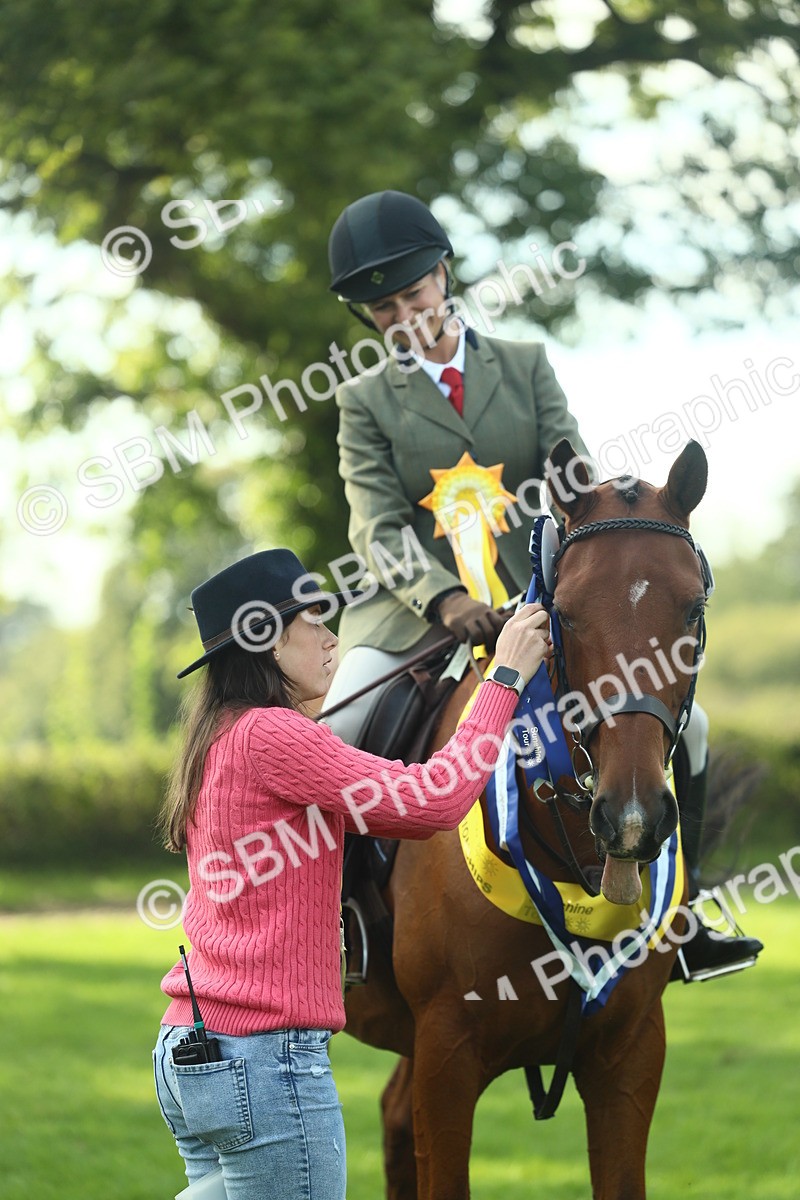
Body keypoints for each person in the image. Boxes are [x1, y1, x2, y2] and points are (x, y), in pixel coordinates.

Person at [321, 189, 762, 979]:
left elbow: (575, 482)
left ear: (443, 278)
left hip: (535, 600)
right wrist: (445, 600)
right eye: (382, 308)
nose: (402, 315)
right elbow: (374, 528)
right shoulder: (362, 402)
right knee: (338, 730)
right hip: (409, 616)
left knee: (684, 729)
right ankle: (343, 919)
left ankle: (686, 909)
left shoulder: (524, 365)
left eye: (412, 294)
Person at [152, 547, 552, 1200]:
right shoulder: (275, 737)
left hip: (192, 1050)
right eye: (313, 619)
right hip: (265, 1061)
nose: (332, 636)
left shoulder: (218, 735)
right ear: (264, 642)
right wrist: (503, 679)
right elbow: (435, 800)